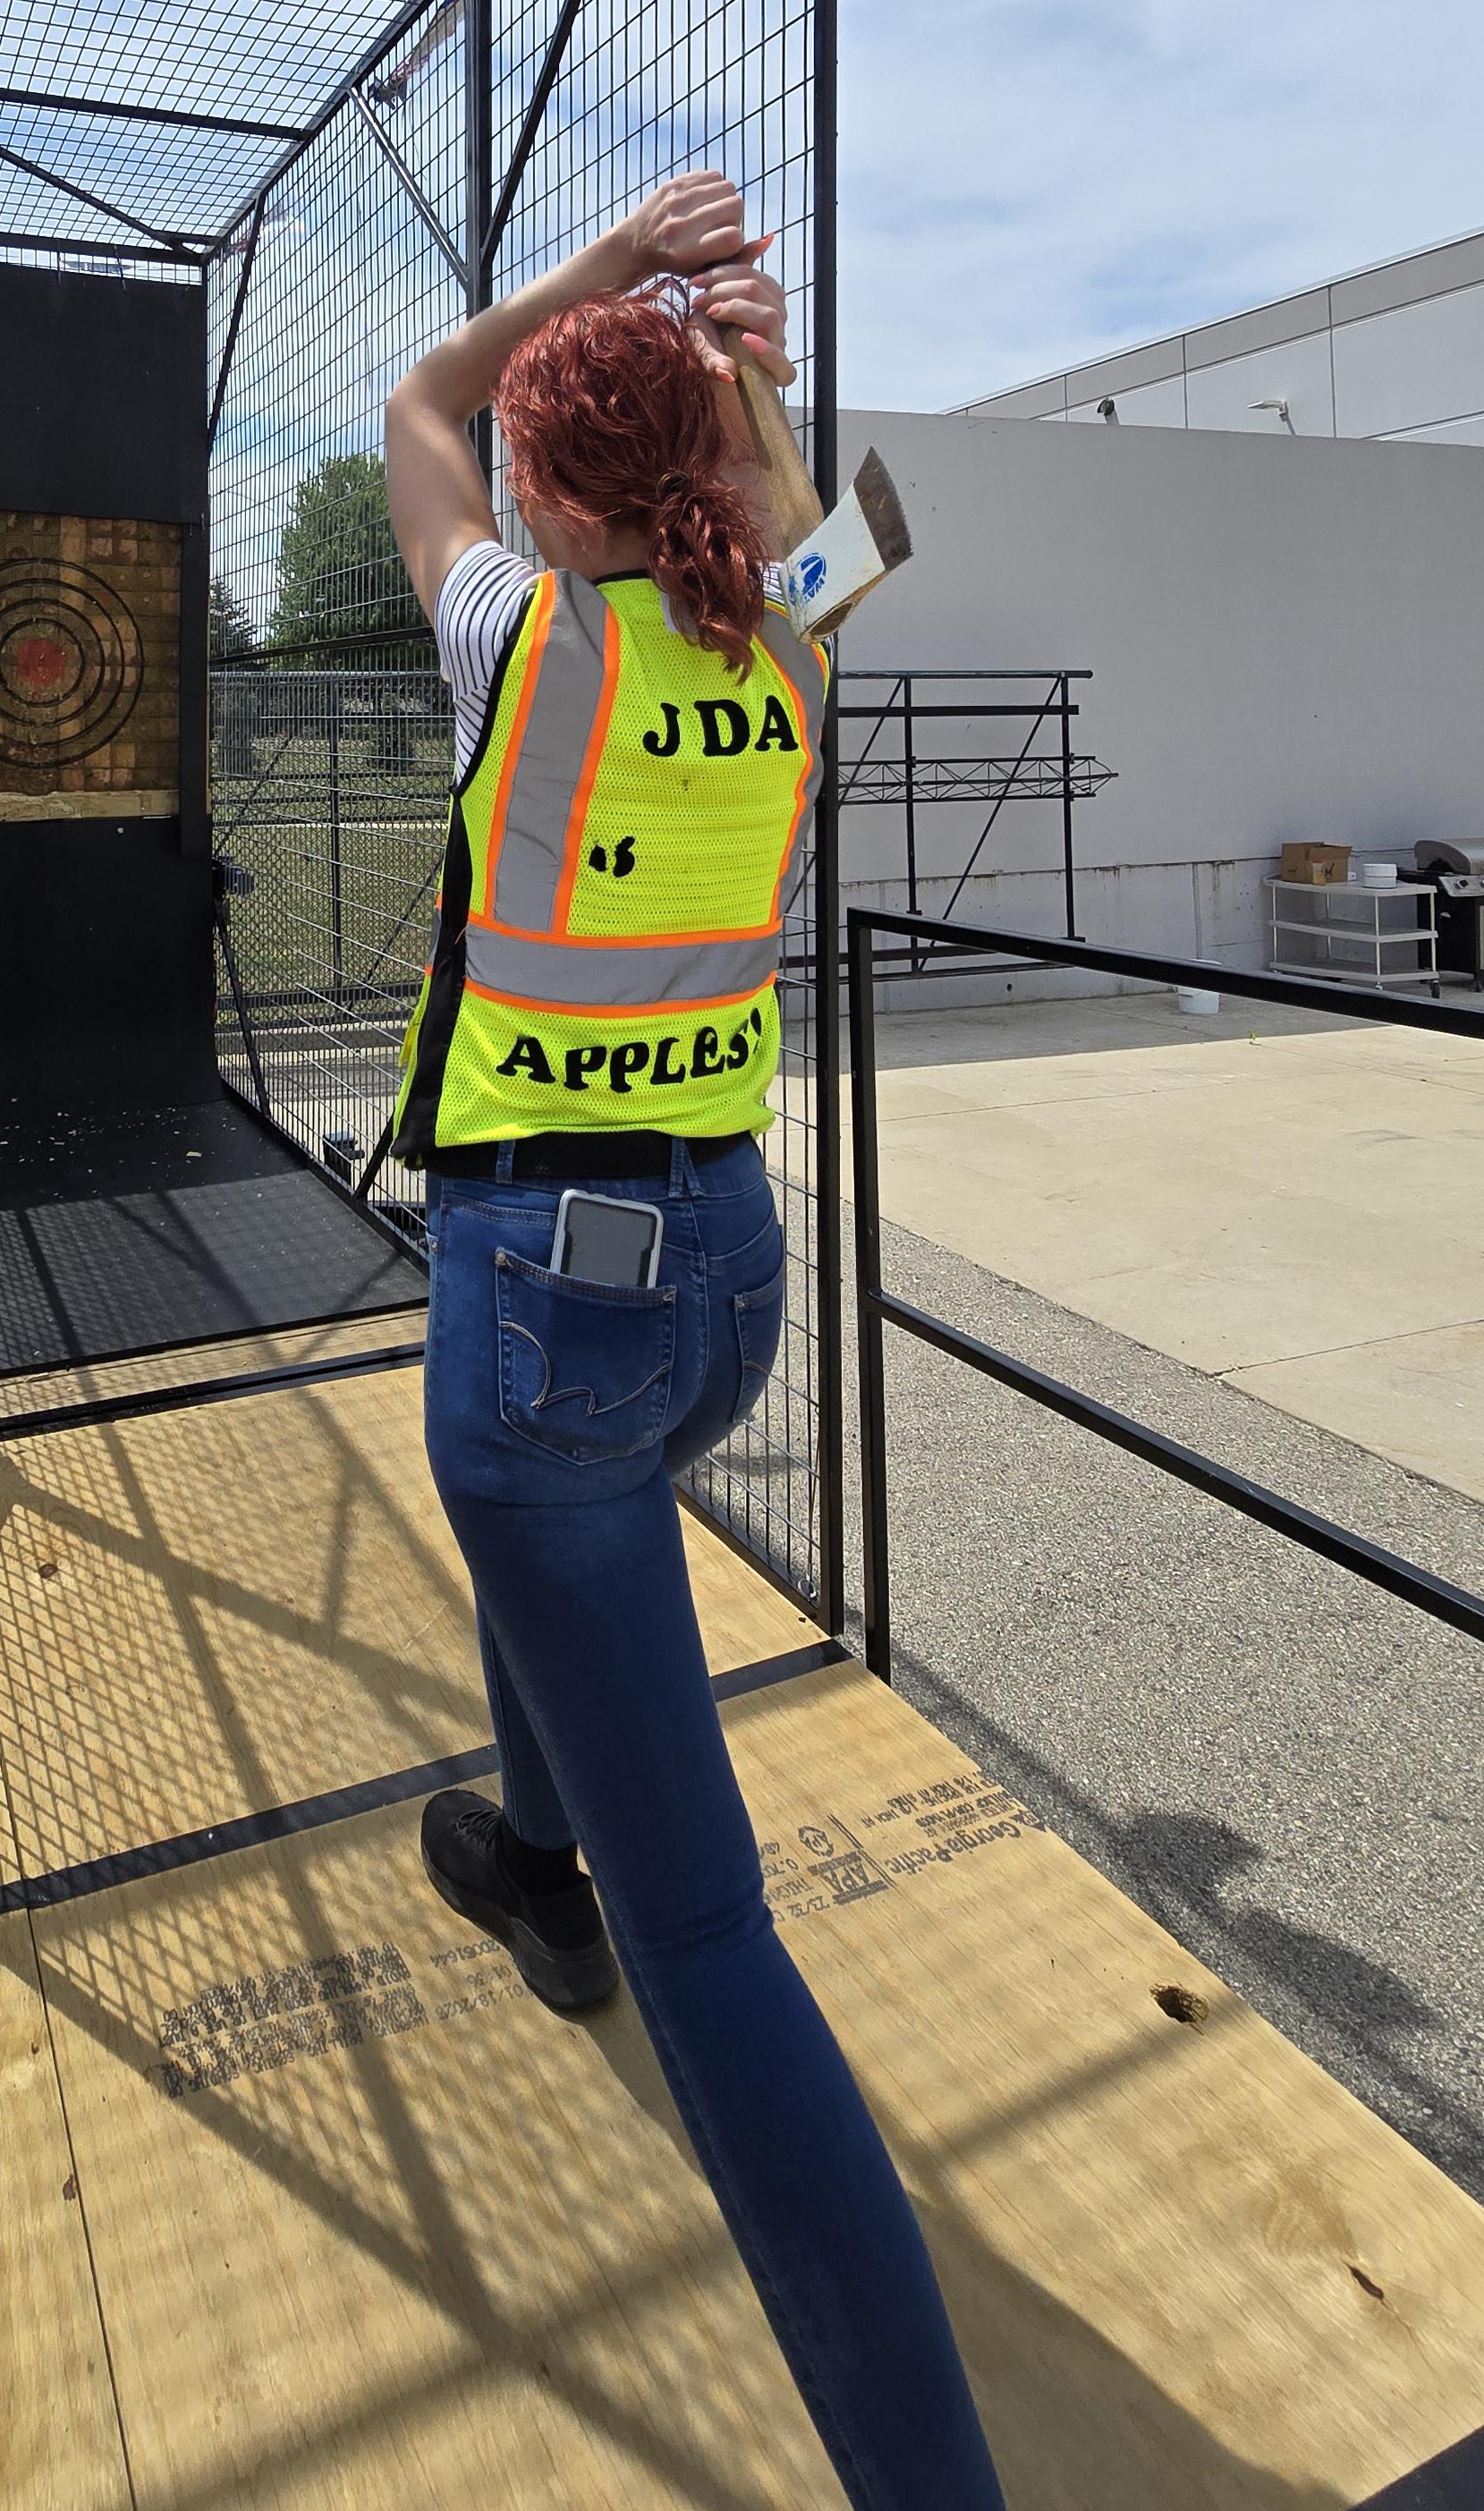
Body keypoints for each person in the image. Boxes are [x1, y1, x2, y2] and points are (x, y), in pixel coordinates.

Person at [383, 173, 1004, 2510]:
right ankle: (537, 1850)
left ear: (551, 505)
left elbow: (420, 391)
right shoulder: (796, 640)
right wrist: (724, 343)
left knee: (721, 1946)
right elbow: (811, 512)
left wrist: (619, 258)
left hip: (550, 1299)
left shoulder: (521, 644)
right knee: (582, 1579)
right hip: (730, 1267)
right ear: (721, 474)